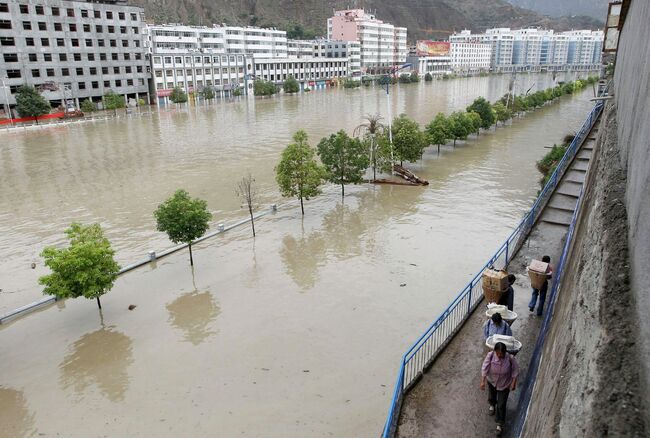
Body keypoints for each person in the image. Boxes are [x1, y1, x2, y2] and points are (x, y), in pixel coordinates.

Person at [480, 342, 519, 436]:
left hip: (504, 384)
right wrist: (483, 381)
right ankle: (492, 405)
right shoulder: (490, 355)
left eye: (501, 354)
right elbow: (485, 367)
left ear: (505, 352)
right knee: (492, 396)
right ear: (495, 351)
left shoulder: (510, 358)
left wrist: (513, 383)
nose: (499, 355)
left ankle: (499, 424)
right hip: (492, 381)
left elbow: (515, 370)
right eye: (498, 353)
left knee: (501, 405)